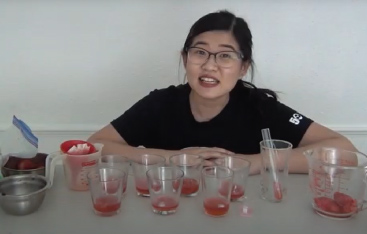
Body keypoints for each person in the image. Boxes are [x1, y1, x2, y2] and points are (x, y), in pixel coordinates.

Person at [87, 10, 356, 175]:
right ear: (185, 59)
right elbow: (95, 147)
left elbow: (346, 152)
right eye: (200, 52)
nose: (209, 65)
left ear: (243, 67)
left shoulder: (261, 107)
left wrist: (254, 162)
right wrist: (171, 158)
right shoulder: (160, 103)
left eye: (225, 56)